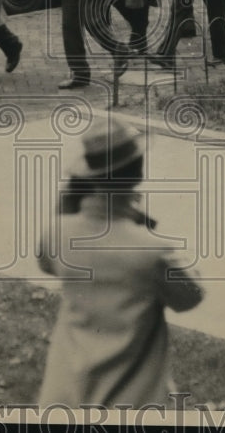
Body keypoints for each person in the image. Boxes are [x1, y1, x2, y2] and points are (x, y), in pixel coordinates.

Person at [37, 117, 204, 408]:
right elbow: (191, 297)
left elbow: (46, 262)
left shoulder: (57, 233)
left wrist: (70, 200)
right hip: (131, 400)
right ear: (138, 170)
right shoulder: (154, 250)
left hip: (64, 395)